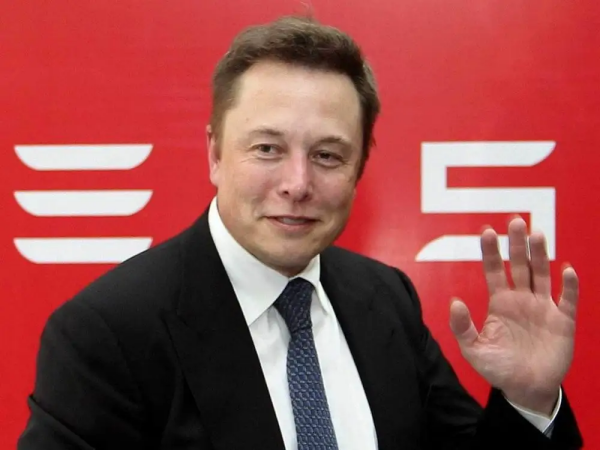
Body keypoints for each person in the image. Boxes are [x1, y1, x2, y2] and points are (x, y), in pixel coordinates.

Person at [18, 15, 582, 450]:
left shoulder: (385, 299)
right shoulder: (107, 333)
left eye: (328, 155)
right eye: (267, 148)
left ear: (360, 168)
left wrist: (529, 398)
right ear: (215, 154)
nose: (297, 184)